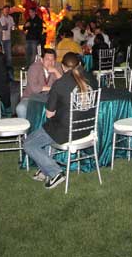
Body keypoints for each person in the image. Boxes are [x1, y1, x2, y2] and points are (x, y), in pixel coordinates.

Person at [23, 52, 95, 189]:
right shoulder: (91, 78)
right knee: (48, 131)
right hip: (87, 129)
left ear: (62, 67)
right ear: (79, 64)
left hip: (66, 132)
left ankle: (55, 172)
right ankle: (45, 169)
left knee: (29, 143)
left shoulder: (60, 84)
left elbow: (49, 114)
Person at [0, 4, 15, 77]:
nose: (7, 11)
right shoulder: (0, 18)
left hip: (8, 39)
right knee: (2, 55)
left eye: (8, 10)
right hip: (1, 39)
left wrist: (13, 27)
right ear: (3, 10)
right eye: (5, 10)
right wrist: (4, 27)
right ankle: (2, 70)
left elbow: (12, 26)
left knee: (9, 56)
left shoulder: (10, 18)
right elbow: (0, 28)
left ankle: (9, 72)